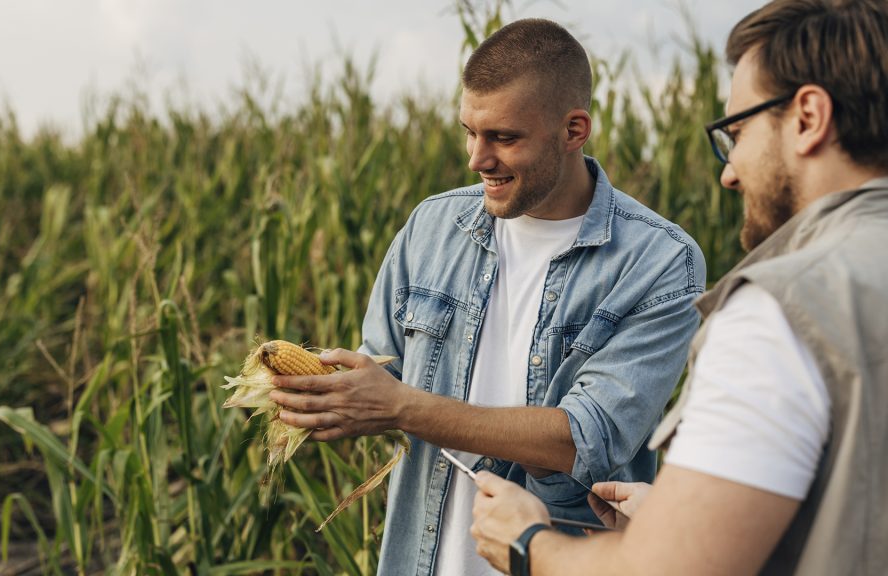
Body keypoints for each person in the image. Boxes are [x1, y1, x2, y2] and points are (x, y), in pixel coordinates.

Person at [269, 18, 705, 576]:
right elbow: (382, 373)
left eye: (503, 137)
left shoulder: (659, 261)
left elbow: (585, 438)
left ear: (574, 130)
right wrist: (329, 396)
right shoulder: (431, 227)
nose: (477, 158)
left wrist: (400, 405)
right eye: (470, 132)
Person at [469, 1, 888, 574]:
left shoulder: (782, 309)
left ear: (808, 117)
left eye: (737, 131)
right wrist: (683, 514)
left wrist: (529, 543)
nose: (729, 171)